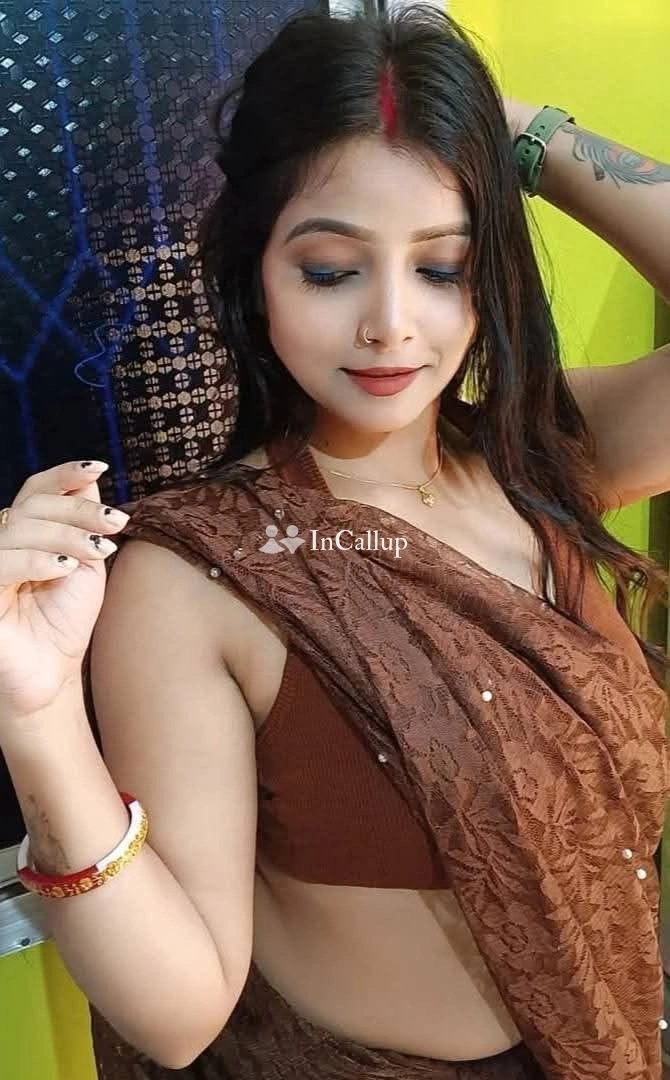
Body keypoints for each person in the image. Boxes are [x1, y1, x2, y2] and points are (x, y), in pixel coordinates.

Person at [1, 5, 669, 1079]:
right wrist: (37, 723)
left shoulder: (538, 459)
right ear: (254, 277)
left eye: (443, 267)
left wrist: (505, 132)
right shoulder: (197, 579)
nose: (391, 323)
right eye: (328, 270)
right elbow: (176, 1016)